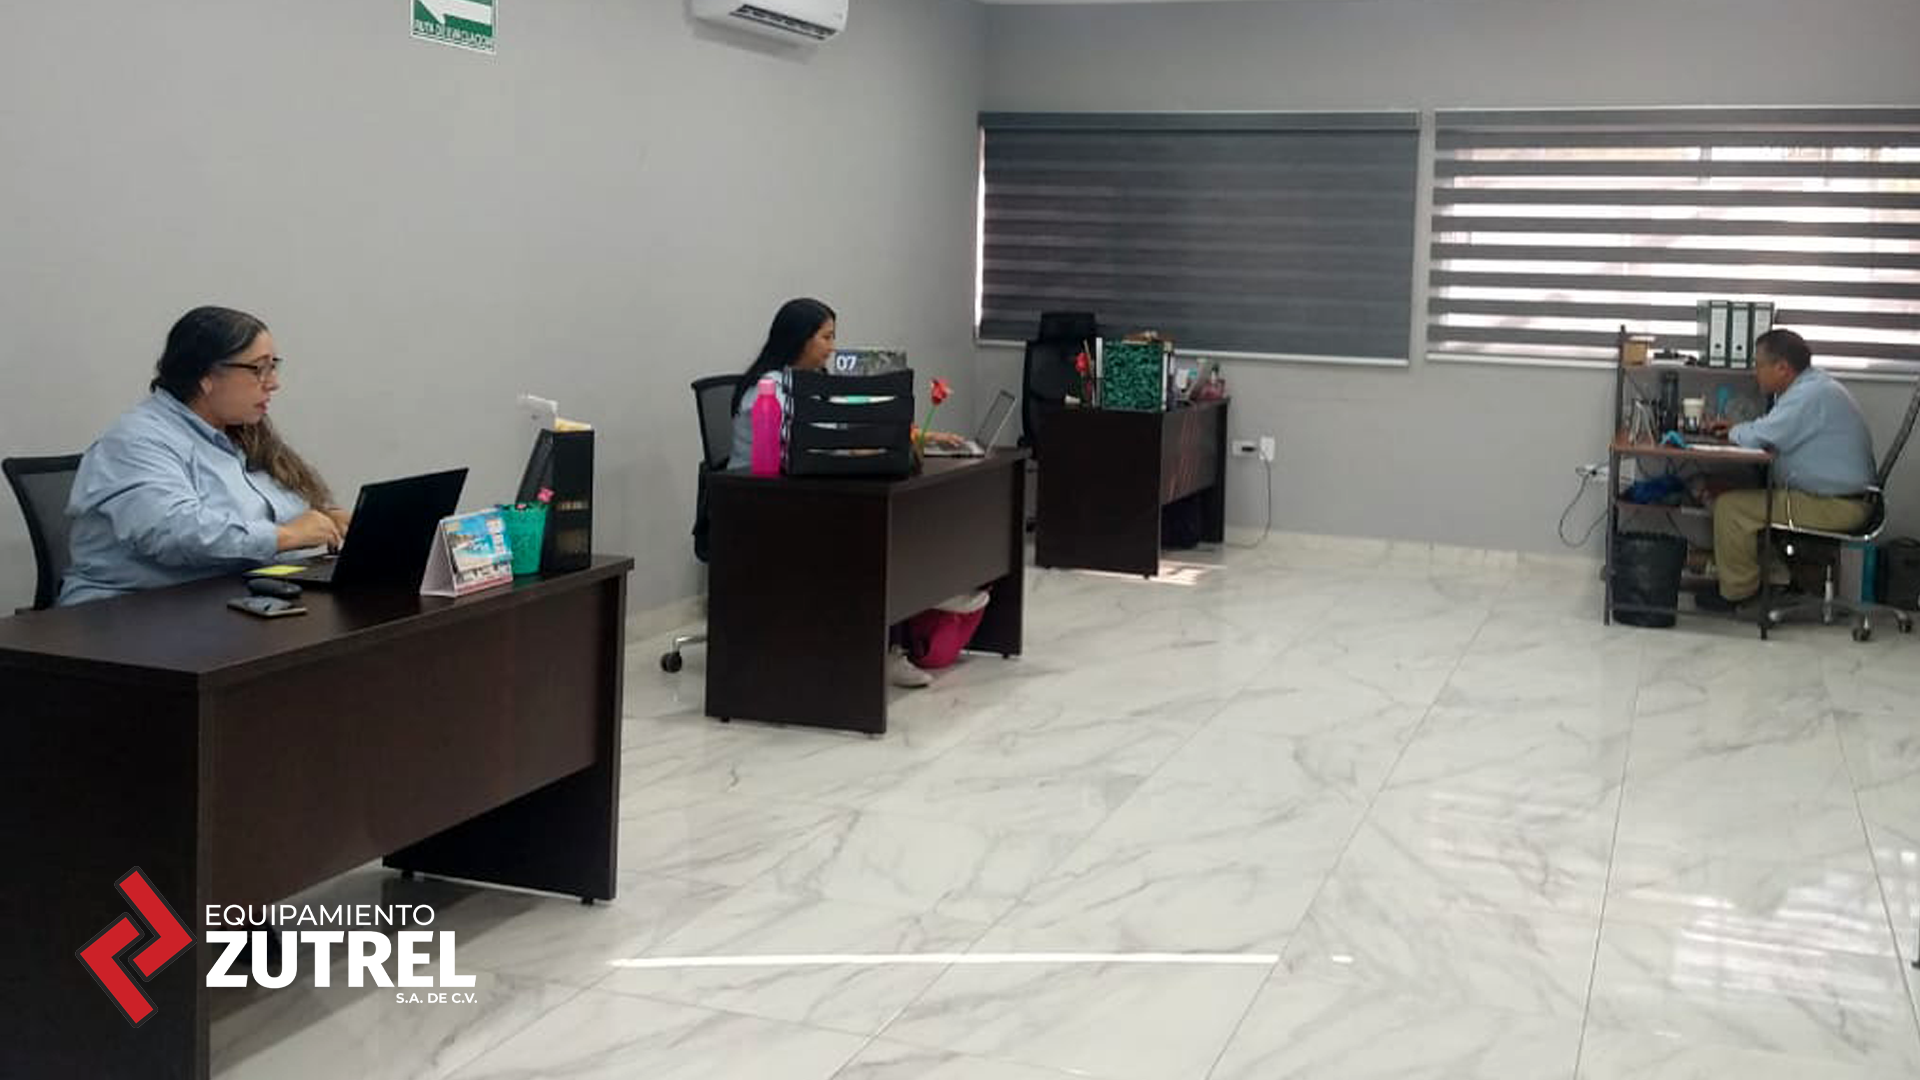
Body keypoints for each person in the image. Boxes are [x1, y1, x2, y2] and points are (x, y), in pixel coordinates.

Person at [726, 298, 977, 688]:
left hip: (811, 497)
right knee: (874, 537)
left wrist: (915, 438)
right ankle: (895, 637)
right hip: (766, 508)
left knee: (891, 523)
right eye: (825, 337)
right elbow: (800, 451)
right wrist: (855, 451)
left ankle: (917, 604)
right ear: (799, 339)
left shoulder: (815, 383)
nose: (832, 347)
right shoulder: (767, 390)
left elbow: (845, 429)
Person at [60, 306, 348, 605]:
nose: (273, 382)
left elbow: (265, 516)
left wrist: (326, 520)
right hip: (132, 610)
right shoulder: (135, 442)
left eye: (273, 366)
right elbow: (173, 533)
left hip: (231, 597)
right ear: (206, 376)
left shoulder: (241, 433)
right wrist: (285, 536)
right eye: (259, 369)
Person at [1696, 328, 1875, 614]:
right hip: (1837, 499)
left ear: (1782, 367)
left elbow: (1763, 435)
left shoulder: (1809, 395)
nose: (1755, 372)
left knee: (1731, 508)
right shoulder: (1811, 387)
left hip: (1838, 506)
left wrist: (1734, 431)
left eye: (1759, 365)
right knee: (1738, 490)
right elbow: (1769, 430)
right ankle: (1771, 579)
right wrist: (1739, 429)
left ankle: (1740, 595)